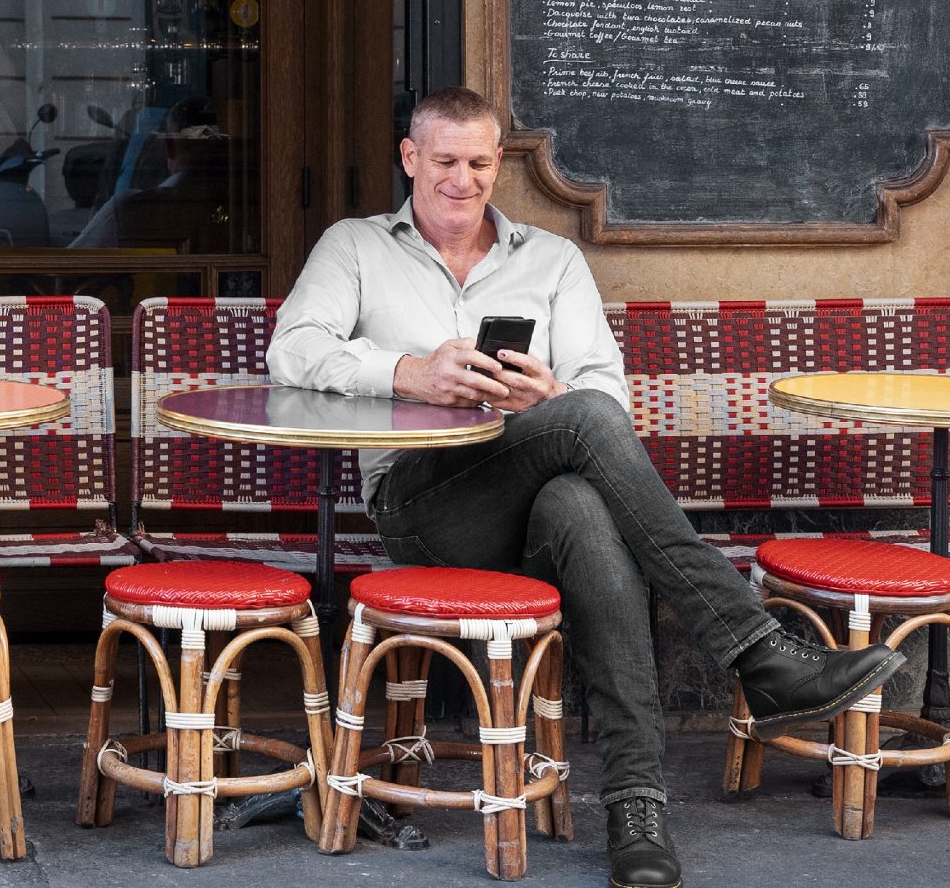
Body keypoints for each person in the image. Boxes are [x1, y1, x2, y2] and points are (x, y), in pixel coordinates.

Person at [268, 86, 906, 888]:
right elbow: (291, 350)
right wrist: (409, 372)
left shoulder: (551, 259)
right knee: (584, 425)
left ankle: (637, 812)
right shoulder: (354, 246)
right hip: (421, 503)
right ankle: (755, 648)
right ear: (409, 158)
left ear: (498, 163)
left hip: (535, 507)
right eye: (443, 162)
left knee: (582, 495)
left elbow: (606, 393)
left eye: (477, 163)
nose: (461, 180)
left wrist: (545, 395)